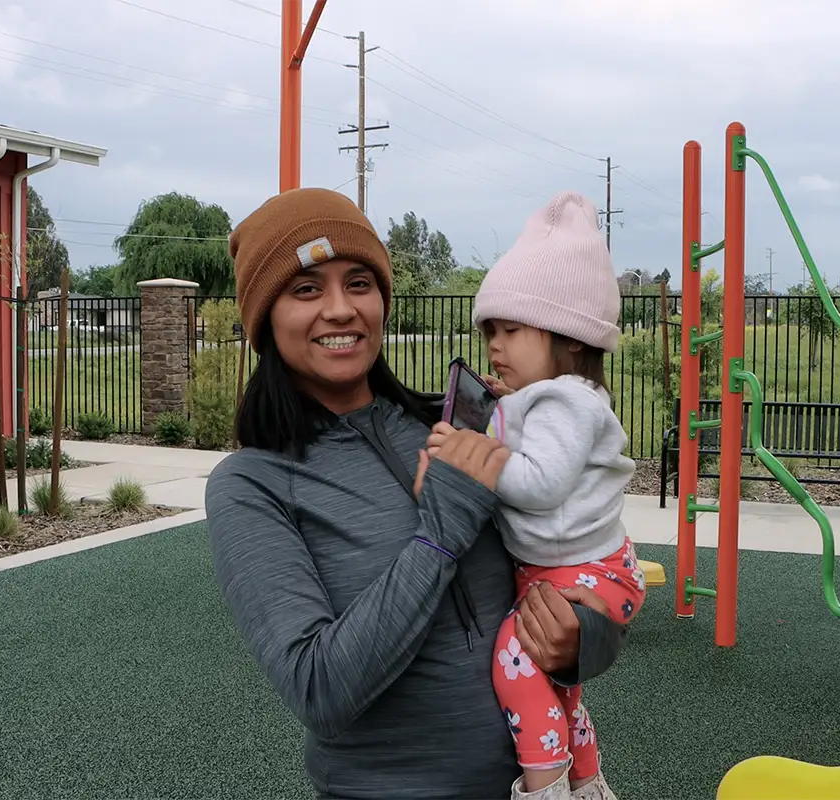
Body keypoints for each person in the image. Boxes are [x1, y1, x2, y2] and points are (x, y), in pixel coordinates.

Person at [205, 187, 627, 800]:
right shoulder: (253, 484)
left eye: (358, 283)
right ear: (265, 318)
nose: (340, 309)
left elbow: (580, 553)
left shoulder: (458, 426)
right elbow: (319, 690)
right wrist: (442, 532)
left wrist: (582, 641)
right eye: (305, 289)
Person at [458, 191, 641, 800]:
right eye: (489, 331)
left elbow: (541, 484)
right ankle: (588, 783)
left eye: (510, 330)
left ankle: (546, 787)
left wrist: (480, 459)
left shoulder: (566, 400)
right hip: (580, 567)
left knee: (515, 656)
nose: (494, 346)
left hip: (584, 574)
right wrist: (500, 410)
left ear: (566, 338)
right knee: (560, 691)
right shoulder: (544, 398)